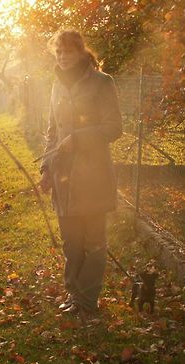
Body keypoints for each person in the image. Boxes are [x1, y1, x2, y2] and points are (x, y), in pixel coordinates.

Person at [39, 29, 122, 321]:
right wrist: (46, 168)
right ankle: (74, 296)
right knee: (71, 242)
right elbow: (52, 132)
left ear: (80, 52)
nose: (62, 57)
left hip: (94, 177)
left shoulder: (102, 82)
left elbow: (114, 127)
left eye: (68, 52)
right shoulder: (56, 86)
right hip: (63, 178)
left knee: (94, 242)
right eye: (58, 52)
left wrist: (78, 138)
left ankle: (87, 301)